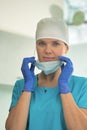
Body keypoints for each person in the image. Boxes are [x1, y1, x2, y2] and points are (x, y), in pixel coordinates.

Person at [5, 17, 87, 130]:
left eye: (55, 44)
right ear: (36, 47)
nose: (48, 50)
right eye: (42, 43)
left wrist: (64, 87)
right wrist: (27, 88)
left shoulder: (82, 85)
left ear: (66, 48)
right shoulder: (21, 85)